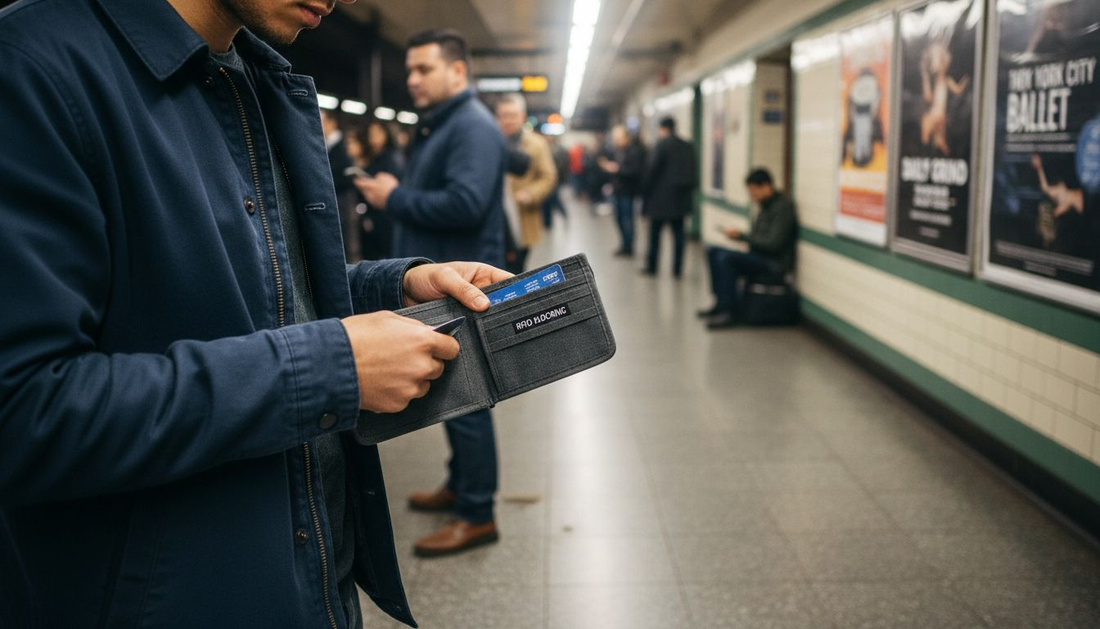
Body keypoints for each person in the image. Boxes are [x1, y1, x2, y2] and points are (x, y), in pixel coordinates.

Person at [0, 1, 513, 627]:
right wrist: (331, 368)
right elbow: (25, 411)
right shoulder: (32, 67)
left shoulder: (248, 77)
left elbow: (257, 290)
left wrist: (391, 288)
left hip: (298, 570)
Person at [355, 28, 507, 558]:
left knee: (468, 398)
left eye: (424, 69)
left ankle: (477, 512)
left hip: (462, 288)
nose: (412, 80)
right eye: (410, 70)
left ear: (458, 71)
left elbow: (464, 203)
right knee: (453, 393)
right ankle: (460, 483)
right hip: (441, 286)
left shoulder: (471, 127)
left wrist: (395, 198)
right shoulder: (442, 126)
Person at [699, 168, 798, 329]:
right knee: (713, 251)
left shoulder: (783, 208)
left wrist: (742, 236)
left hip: (773, 263)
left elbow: (774, 244)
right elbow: (759, 237)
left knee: (727, 259)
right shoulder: (764, 207)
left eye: (754, 191)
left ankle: (730, 311)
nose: (753, 196)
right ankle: (721, 303)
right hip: (759, 256)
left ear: (766, 186)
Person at [496, 93, 558, 273]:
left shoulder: (536, 144)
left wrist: (530, 194)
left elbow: (548, 176)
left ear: (522, 117)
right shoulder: (490, 141)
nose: (508, 120)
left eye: (512, 115)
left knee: (515, 271)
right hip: (495, 220)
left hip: (522, 218)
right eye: (503, 116)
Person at [642, 117, 697, 278]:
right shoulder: (688, 146)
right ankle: (677, 269)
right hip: (680, 200)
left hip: (659, 200)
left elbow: (651, 171)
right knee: (679, 237)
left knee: (655, 236)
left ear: (663, 128)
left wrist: (645, 191)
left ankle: (653, 267)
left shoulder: (660, 145)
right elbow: (693, 173)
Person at [347, 120, 405, 260]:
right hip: (371, 213)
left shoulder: (392, 158)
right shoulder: (374, 157)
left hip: (384, 216)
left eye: (378, 133)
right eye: (371, 133)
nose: (373, 137)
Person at [599, 125, 647, 256]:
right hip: (617, 190)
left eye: (618, 138)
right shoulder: (617, 152)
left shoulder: (634, 152)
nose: (616, 141)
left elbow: (635, 171)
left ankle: (629, 246)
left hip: (628, 192)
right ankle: (624, 243)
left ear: (626, 137)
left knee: (628, 219)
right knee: (619, 219)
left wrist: (617, 169)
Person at [321, 107, 361, 262]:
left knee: (347, 240)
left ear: (332, 123)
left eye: (323, 121)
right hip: (337, 197)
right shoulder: (328, 145)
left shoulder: (342, 145)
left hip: (344, 199)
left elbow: (343, 174)